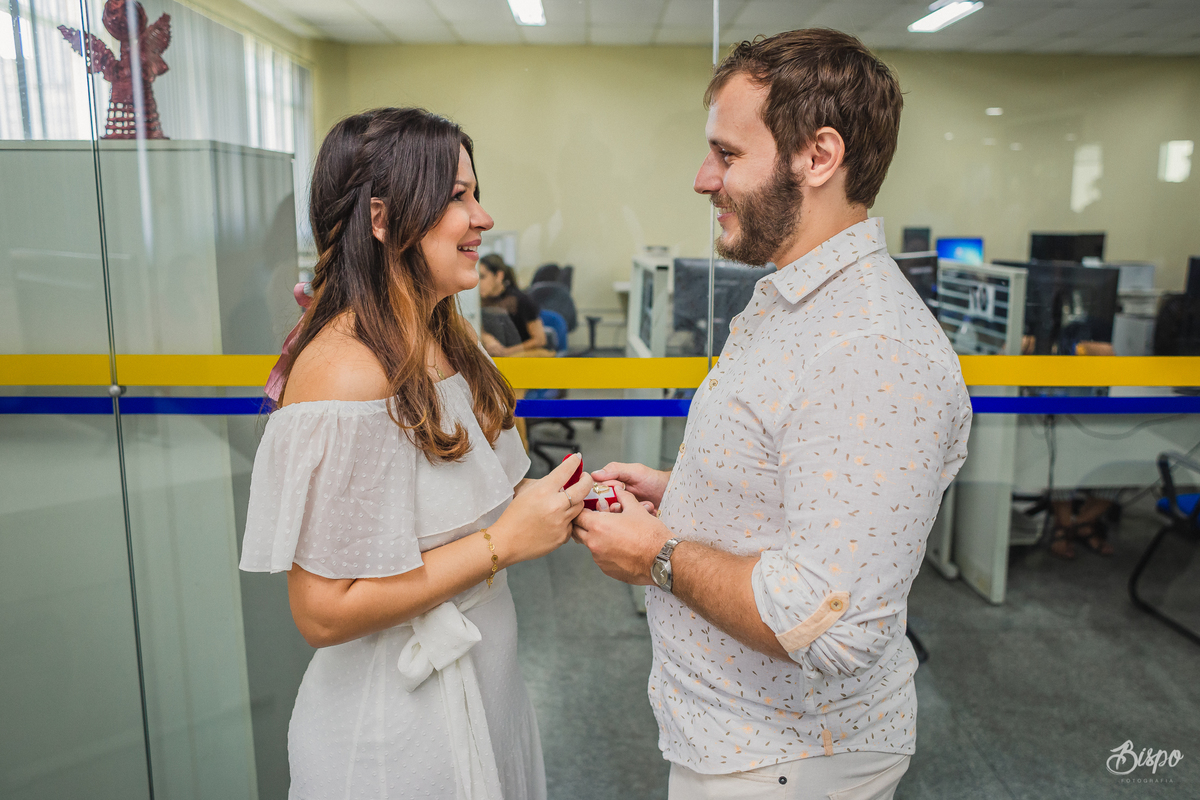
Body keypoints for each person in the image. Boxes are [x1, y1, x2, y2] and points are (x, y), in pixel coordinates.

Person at [573, 30, 973, 799]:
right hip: (740, 741)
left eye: (727, 155)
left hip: (787, 762)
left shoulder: (872, 349)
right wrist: (687, 496)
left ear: (818, 156)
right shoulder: (792, 299)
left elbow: (833, 625)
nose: (703, 178)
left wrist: (656, 555)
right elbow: (800, 484)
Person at [239, 107, 594, 799]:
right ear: (381, 219)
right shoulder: (345, 372)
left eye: (473, 192)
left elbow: (483, 500)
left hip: (483, 693)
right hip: (395, 742)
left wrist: (577, 498)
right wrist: (501, 546)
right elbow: (323, 612)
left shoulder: (445, 337)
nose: (482, 217)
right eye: (456, 197)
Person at [478, 253, 549, 356]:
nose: (478, 282)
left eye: (482, 277)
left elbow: (540, 340)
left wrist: (507, 352)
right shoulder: (477, 302)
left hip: (519, 357)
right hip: (492, 357)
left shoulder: (521, 300)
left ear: (499, 276)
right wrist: (485, 337)